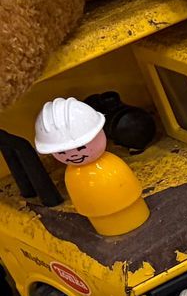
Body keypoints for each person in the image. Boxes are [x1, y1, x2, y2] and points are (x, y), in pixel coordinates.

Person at [34, 97, 149, 236]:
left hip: (136, 211)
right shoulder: (73, 174)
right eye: (62, 152)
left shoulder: (110, 163)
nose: (74, 155)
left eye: (81, 147)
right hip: (104, 224)